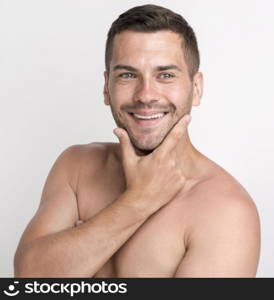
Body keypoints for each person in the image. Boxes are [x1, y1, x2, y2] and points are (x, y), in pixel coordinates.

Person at [14, 4, 261, 277]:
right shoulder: (76, 167)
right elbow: (28, 280)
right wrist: (138, 201)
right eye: (128, 75)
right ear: (106, 87)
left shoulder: (226, 210)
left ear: (196, 87)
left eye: (165, 75)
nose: (145, 95)